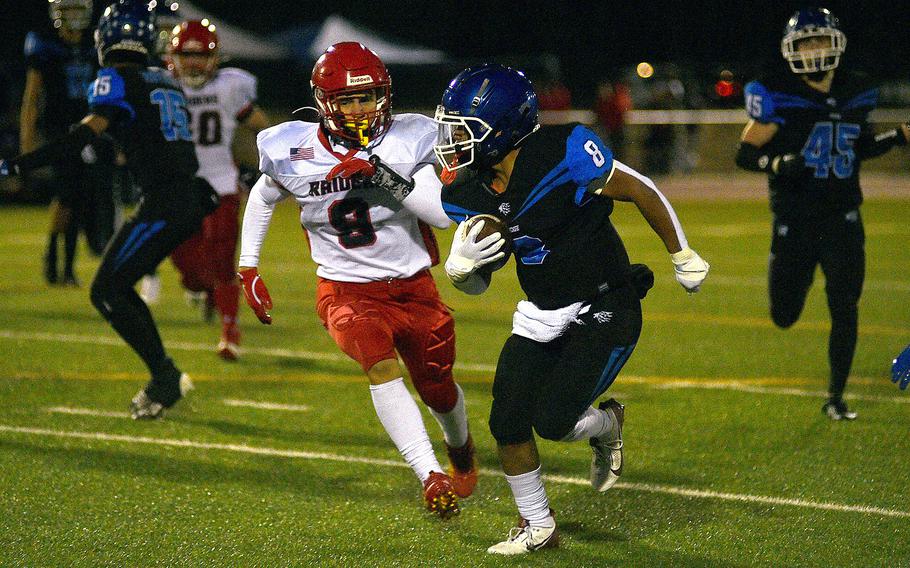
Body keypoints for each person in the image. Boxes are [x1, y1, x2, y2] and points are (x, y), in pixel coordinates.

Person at [433, 63, 710, 554]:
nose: (452, 140)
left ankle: (607, 424)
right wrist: (463, 271)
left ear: (503, 128)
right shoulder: (466, 191)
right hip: (542, 311)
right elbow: (481, 282)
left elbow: (641, 188)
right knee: (507, 421)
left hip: (608, 300)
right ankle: (539, 526)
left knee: (555, 419)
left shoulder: (564, 151)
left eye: (464, 129)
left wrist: (680, 253)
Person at [237, 42, 477, 518]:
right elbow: (264, 197)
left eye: (367, 97)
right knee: (379, 366)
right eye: (347, 100)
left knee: (438, 389)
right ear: (325, 102)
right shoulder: (294, 147)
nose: (360, 109)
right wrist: (248, 266)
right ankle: (430, 475)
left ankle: (462, 448)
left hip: (413, 287)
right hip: (345, 289)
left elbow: (442, 217)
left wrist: (380, 175)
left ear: (384, 94)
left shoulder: (410, 138)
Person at [1, 0, 219, 419]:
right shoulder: (161, 78)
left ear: (107, 39)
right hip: (187, 195)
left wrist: (18, 162)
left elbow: (82, 137)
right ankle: (164, 374)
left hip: (166, 202)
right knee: (114, 286)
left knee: (107, 290)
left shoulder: (114, 78)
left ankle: (165, 376)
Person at [734, 7, 910, 420]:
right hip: (795, 221)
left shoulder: (857, 90)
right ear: (791, 49)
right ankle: (793, 285)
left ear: (836, 43)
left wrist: (895, 136)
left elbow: (858, 145)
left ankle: (836, 397)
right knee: (784, 315)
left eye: (819, 40)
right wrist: (776, 165)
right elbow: (745, 153)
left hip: (844, 217)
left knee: (845, 307)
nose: (813, 50)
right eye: (806, 42)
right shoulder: (777, 93)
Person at [141, 19, 269, 361]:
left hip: (221, 183)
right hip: (178, 186)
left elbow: (259, 126)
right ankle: (206, 292)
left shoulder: (231, 86)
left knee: (223, 260)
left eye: (200, 56)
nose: (194, 63)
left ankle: (230, 330)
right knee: (190, 271)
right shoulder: (161, 85)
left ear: (215, 58)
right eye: (185, 55)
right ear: (172, 55)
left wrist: (262, 162)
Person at [20, 0, 120, 286]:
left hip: (90, 130)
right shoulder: (45, 46)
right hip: (60, 131)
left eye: (78, 10)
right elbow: (32, 95)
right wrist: (28, 139)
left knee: (80, 197)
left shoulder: (95, 46)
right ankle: (55, 262)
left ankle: (64, 267)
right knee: (66, 196)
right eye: (68, 11)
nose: (73, 17)